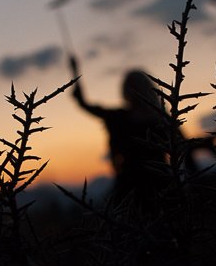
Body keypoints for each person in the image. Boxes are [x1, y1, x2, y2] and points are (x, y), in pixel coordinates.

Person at [68, 55, 169, 204]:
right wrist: (75, 71)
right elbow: (85, 104)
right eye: (130, 86)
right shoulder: (157, 118)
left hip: (150, 184)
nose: (132, 90)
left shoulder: (156, 119)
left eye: (134, 86)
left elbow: (184, 146)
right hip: (135, 183)